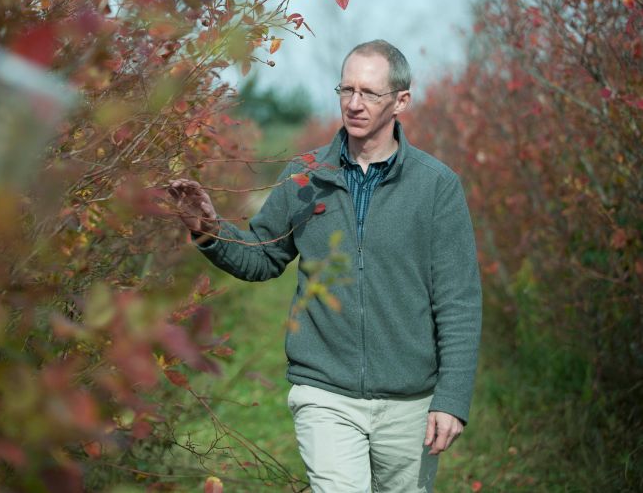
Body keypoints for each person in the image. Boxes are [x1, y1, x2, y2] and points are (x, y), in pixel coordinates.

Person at [168, 39, 482, 493]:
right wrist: (209, 229)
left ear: (401, 100)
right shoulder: (306, 174)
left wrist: (450, 399)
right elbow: (262, 253)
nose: (354, 104)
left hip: (411, 399)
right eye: (346, 89)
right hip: (324, 391)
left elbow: (458, 302)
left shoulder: (436, 187)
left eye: (369, 93)